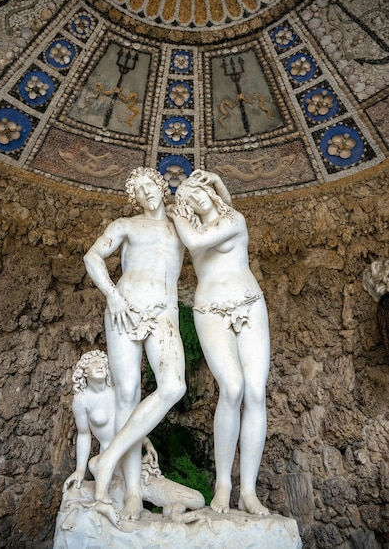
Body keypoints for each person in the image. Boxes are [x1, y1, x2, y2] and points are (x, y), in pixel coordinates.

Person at [83, 167, 186, 528]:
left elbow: (221, 216)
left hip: (163, 312)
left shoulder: (180, 223)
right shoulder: (126, 224)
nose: (146, 195)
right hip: (124, 308)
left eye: (150, 187)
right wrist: (112, 296)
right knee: (127, 394)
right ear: (134, 198)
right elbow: (92, 257)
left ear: (162, 186)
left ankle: (107, 458)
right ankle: (131, 490)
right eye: (138, 191)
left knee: (173, 385)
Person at [172, 169, 270, 517]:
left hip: (248, 304)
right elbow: (191, 241)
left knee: (256, 392)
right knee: (232, 388)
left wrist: (216, 184)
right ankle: (223, 483)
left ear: (211, 192)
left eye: (198, 189)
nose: (194, 196)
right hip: (210, 309)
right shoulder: (189, 227)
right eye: (186, 196)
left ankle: (248, 490)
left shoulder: (234, 219)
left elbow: (198, 241)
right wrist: (174, 206)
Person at [63, 350, 161, 493]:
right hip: (108, 460)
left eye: (103, 363)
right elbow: (84, 434)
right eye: (94, 363)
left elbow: (132, 423)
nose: (100, 365)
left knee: (186, 496)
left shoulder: (117, 391)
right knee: (94, 466)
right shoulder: (82, 401)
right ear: (84, 371)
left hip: (131, 453)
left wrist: (146, 442)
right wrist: (80, 470)